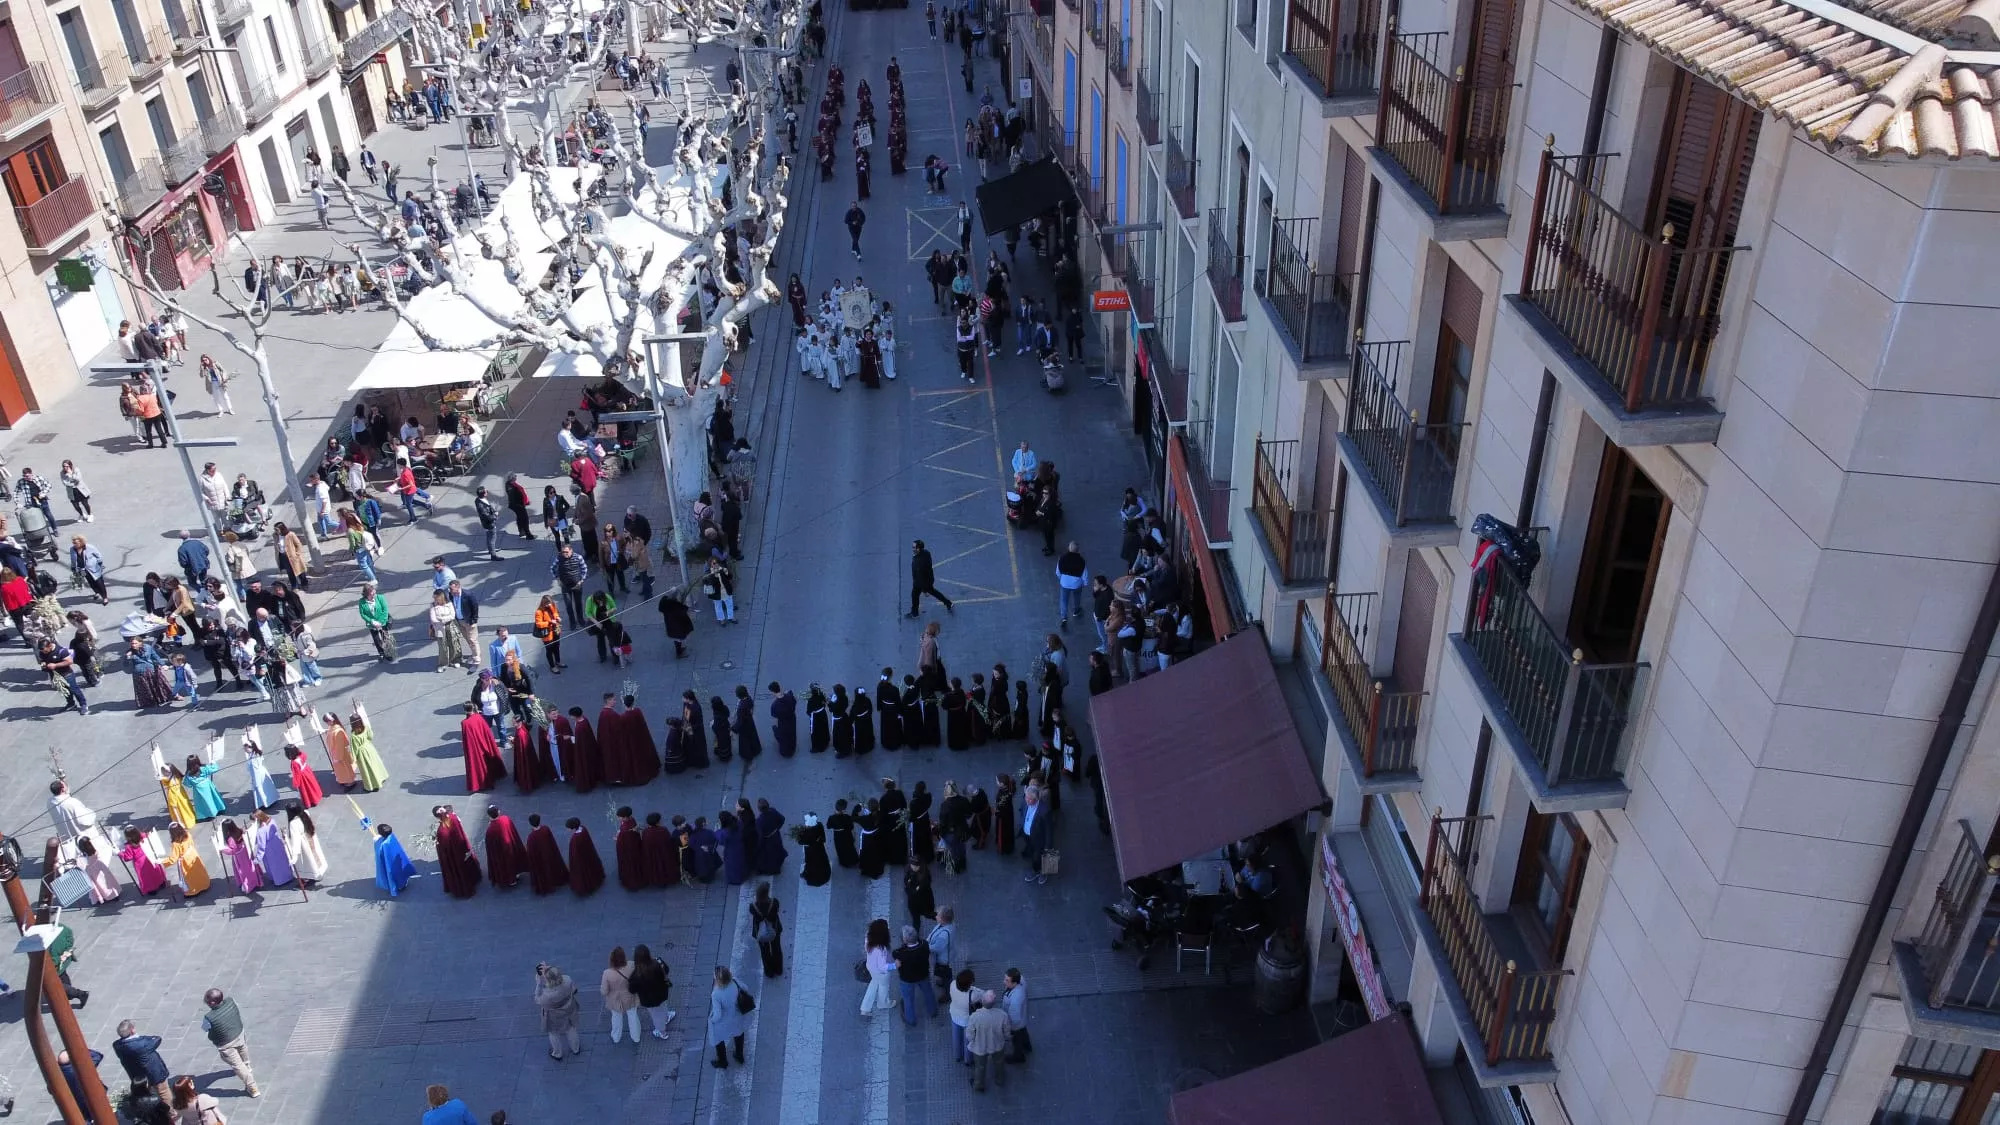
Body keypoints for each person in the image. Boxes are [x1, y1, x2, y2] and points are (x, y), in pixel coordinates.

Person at [199, 988, 260, 1096]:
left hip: (226, 1043)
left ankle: (252, 1088)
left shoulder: (209, 1017)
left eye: (207, 1001)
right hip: (239, 1033)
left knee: (238, 1066)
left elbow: (205, 1028)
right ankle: (248, 1066)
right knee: (243, 1049)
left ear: (212, 1003)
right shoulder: (231, 1001)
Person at [113, 1021, 174, 1102]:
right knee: (163, 1091)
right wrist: (137, 1037)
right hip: (154, 1073)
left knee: (146, 1092)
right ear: (132, 1031)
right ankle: (172, 1113)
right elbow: (157, 1039)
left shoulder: (116, 1045)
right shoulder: (142, 1044)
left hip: (138, 1076)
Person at [534, 963, 584, 1060]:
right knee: (570, 1029)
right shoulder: (567, 980)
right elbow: (574, 989)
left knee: (553, 1033)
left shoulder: (547, 995)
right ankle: (575, 1048)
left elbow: (537, 1000)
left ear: (548, 979)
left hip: (554, 1016)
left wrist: (539, 983)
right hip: (569, 1008)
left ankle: (557, 1053)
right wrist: (550, 970)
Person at [966, 990, 1012, 1091]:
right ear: (994, 1003)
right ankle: (1000, 1080)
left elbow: (969, 1034)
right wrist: (1007, 1038)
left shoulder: (974, 1017)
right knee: (999, 1062)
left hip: (980, 1047)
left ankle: (978, 1085)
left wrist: (971, 1040)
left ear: (982, 1002)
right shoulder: (1002, 1015)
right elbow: (1007, 1031)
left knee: (980, 1067)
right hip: (997, 1045)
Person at [893, 924, 935, 1025]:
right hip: (923, 975)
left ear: (905, 940)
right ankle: (933, 1011)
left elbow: (895, 955)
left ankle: (911, 1019)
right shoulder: (924, 945)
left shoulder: (900, 953)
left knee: (908, 1000)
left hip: (907, 979)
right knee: (928, 992)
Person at [709, 966, 749, 1069]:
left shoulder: (716, 994)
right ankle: (739, 1056)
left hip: (724, 1022)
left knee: (718, 1039)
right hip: (737, 1017)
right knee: (739, 1034)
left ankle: (723, 1061)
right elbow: (745, 988)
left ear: (718, 979)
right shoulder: (734, 982)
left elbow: (717, 1014)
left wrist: (712, 1020)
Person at [631, 945, 675, 1037]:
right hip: (662, 992)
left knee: (656, 1016)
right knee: (663, 1006)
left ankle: (662, 1032)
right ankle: (666, 1017)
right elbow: (666, 970)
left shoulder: (636, 974)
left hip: (648, 1000)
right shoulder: (658, 962)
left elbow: (632, 989)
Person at [602, 947, 641, 1043]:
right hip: (630, 996)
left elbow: (604, 991)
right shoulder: (631, 965)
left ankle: (616, 1037)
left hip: (615, 999)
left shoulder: (607, 973)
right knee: (633, 1016)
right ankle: (636, 1037)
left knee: (616, 1018)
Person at [860, 919, 898, 1017]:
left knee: (874, 984)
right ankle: (883, 1003)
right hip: (881, 973)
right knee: (883, 986)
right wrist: (895, 965)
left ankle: (865, 1008)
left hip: (871, 967)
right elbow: (882, 967)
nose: (888, 929)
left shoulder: (868, 936)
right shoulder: (881, 949)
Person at [907, 539, 954, 616]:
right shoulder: (925, 553)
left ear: (918, 548)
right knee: (930, 592)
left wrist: (924, 590)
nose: (912, 549)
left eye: (914, 547)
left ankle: (914, 613)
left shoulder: (919, 562)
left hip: (922, 583)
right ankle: (948, 603)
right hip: (928, 580)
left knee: (916, 595)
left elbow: (920, 576)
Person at [749, 881, 784, 977]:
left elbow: (754, 914)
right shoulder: (774, 902)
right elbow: (776, 911)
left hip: (760, 931)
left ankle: (769, 971)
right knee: (776, 948)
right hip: (774, 928)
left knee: (765, 951)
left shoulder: (753, 907)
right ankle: (778, 969)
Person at [286, 803, 328, 885]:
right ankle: (318, 874)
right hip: (310, 837)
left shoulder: (293, 823)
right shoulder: (305, 813)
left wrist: (294, 856)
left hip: (303, 844)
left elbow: (296, 840)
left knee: (307, 861)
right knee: (315, 856)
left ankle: (309, 877)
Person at [373, 822, 415, 896]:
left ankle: (396, 886)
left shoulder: (383, 844)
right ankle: (403, 883)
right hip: (396, 859)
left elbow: (379, 852)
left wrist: (376, 841)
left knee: (391, 874)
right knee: (399, 871)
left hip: (390, 863)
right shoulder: (391, 836)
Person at [1021, 786, 1051, 885]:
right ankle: (1037, 870)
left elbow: (1048, 830)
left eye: (1030, 799)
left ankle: (1042, 872)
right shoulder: (1025, 803)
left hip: (1039, 840)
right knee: (1033, 855)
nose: (1027, 801)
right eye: (1026, 797)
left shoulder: (1044, 811)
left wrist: (1048, 845)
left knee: (1039, 856)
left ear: (1036, 799)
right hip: (1028, 837)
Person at [567, 817, 605, 895]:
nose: (568, 830)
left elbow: (575, 852)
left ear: (573, 828)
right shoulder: (583, 829)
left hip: (581, 858)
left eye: (569, 828)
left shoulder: (575, 839)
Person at [1001, 968, 1032, 1062]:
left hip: (1015, 1024)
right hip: (1022, 1018)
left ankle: (1018, 1056)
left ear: (1014, 983)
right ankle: (1027, 1045)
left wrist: (1008, 1027)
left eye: (1007, 980)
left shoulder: (1015, 999)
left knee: (1016, 1039)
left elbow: (1014, 1017)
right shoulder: (1020, 980)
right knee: (1023, 1030)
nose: (1004, 982)